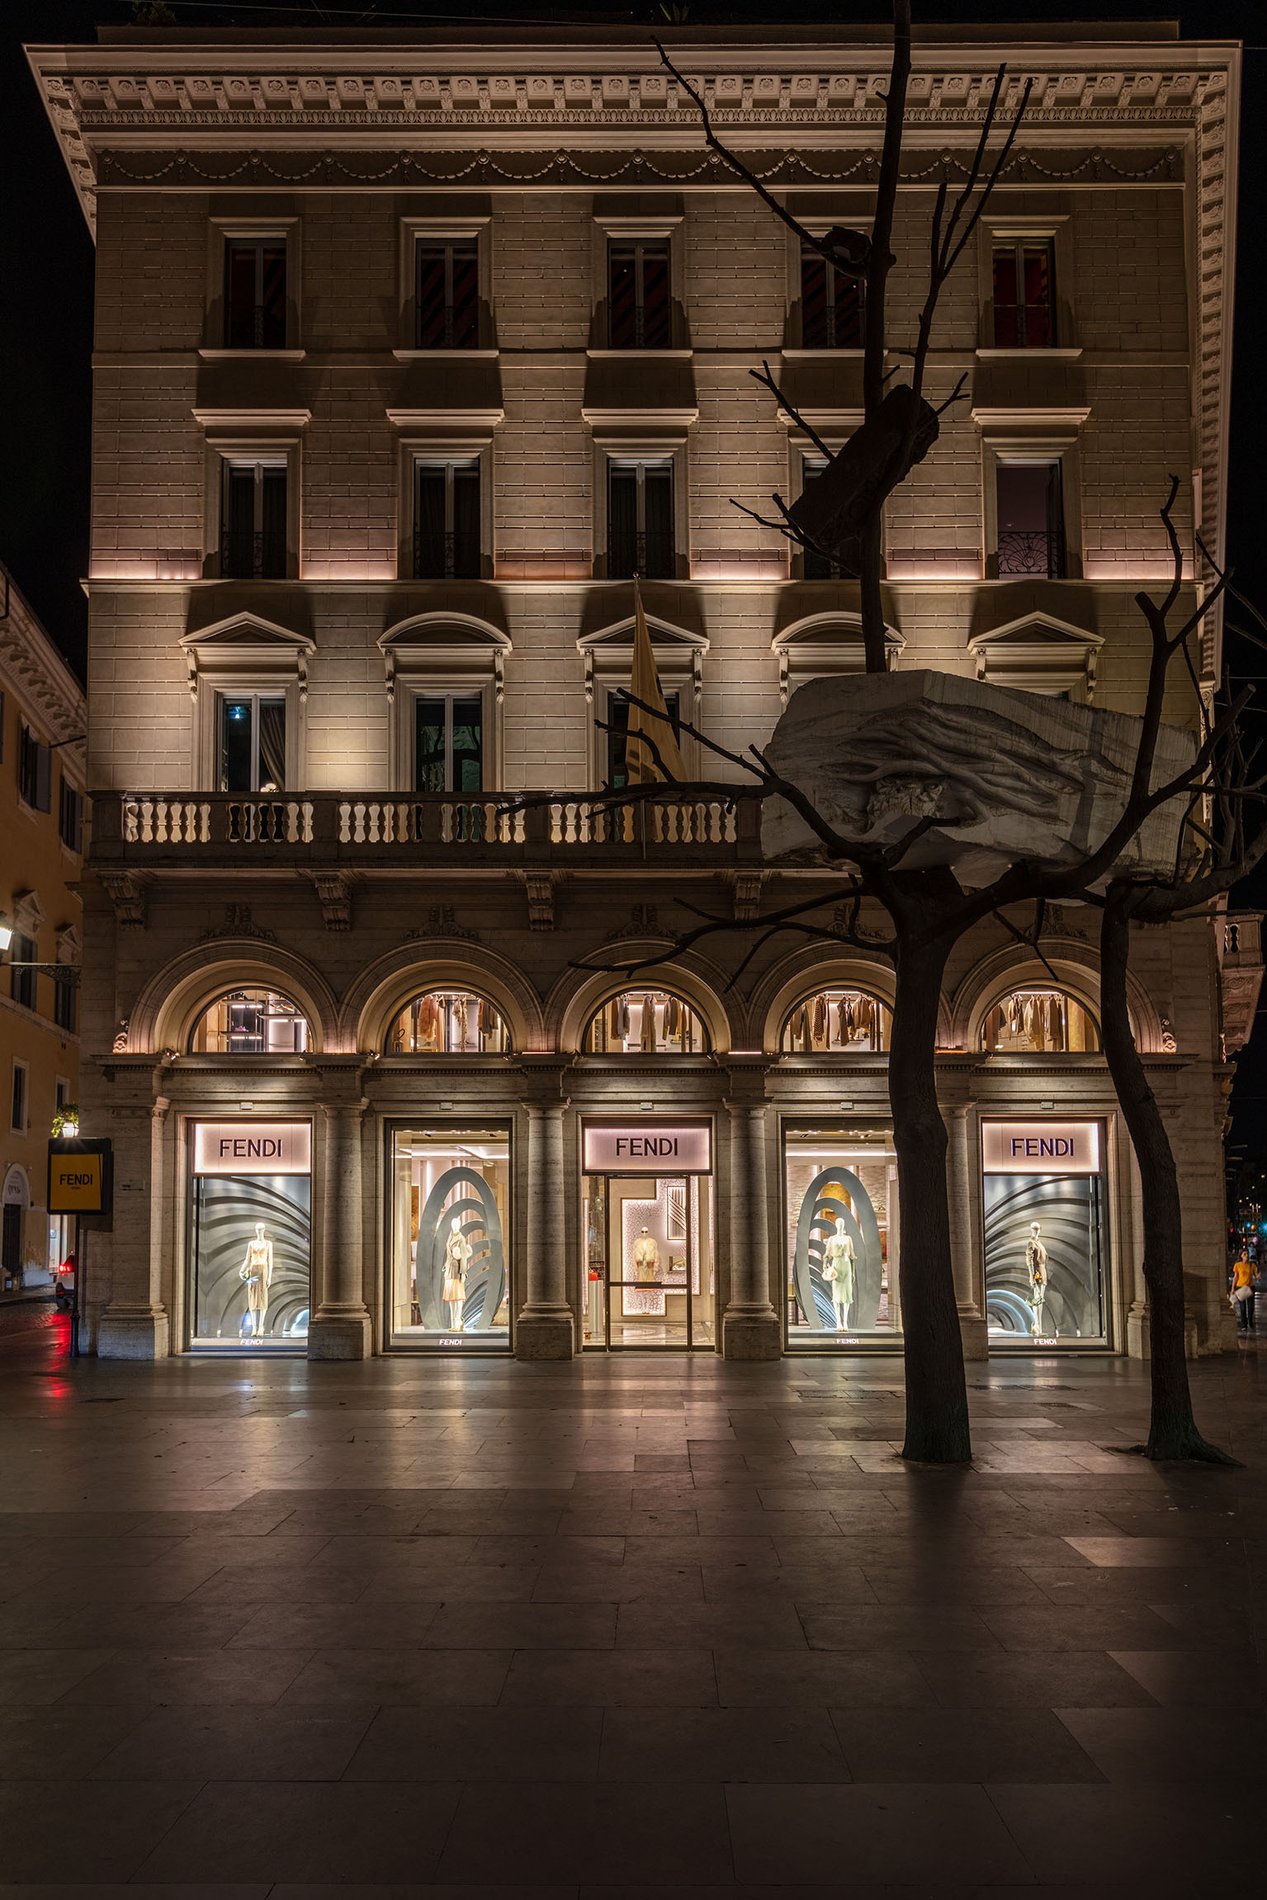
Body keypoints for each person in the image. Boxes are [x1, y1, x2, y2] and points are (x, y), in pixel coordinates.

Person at [1230, 1254, 1256, 1334]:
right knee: (1243, 1308)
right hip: (1240, 1287)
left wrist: (1258, 1276)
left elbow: (1256, 1275)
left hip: (1250, 1287)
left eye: (1247, 1254)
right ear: (1241, 1256)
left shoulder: (1252, 1265)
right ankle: (1244, 1325)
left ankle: (1250, 1322)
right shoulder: (1237, 1265)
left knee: (1251, 1307)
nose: (1246, 1255)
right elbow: (1235, 1277)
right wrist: (1233, 1288)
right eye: (1244, 1254)